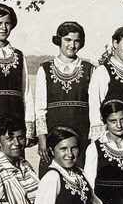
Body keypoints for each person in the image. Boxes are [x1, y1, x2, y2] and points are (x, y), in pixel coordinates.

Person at [34, 21, 93, 174]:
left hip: (82, 134)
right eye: (67, 40)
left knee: (82, 174)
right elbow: (40, 109)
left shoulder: (89, 69)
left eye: (76, 41)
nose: (72, 45)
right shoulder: (45, 69)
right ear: (59, 40)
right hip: (54, 132)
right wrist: (42, 139)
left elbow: (94, 107)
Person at [0, 3, 34, 151]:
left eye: (7, 23)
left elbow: (26, 92)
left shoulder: (18, 56)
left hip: (16, 118)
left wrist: (28, 126)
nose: (3, 28)